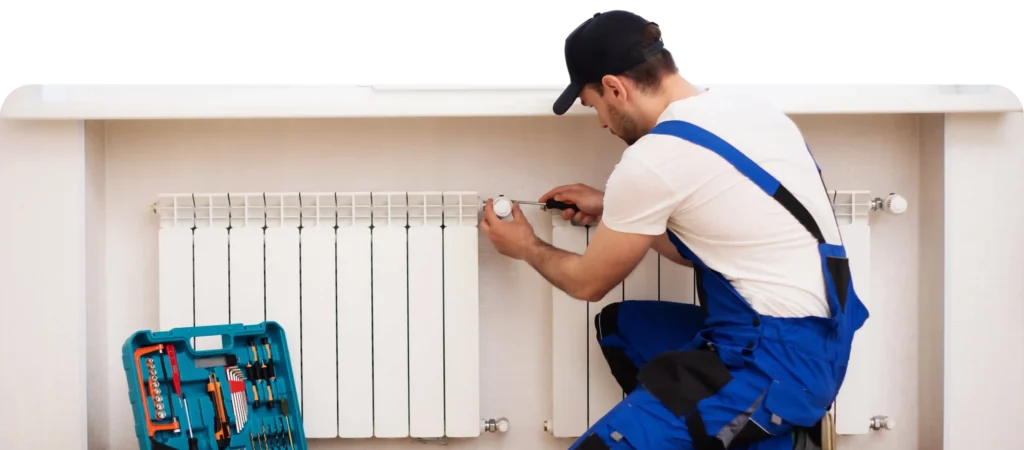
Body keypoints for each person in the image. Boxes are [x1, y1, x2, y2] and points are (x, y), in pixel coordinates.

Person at [479, 9, 869, 450]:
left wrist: (526, 246)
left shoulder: (655, 158)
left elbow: (589, 283)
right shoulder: (755, 114)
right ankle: (732, 431)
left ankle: (773, 432)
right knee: (622, 327)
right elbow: (703, 244)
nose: (603, 123)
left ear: (614, 87)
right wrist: (613, 208)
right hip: (820, 344)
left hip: (768, 363)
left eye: (594, 107)